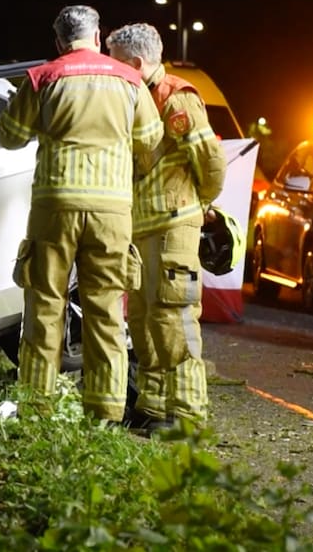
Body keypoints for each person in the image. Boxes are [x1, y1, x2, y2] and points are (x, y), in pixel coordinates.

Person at [0, 5, 163, 423]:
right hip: (111, 211)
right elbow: (150, 138)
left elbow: (9, 136)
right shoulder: (129, 80)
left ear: (57, 41)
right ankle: (105, 412)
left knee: (44, 306)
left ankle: (36, 409)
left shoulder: (43, 78)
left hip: (55, 208)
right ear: (97, 34)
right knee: (106, 310)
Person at [105, 23, 227, 431]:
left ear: (138, 63)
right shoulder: (136, 97)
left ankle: (189, 414)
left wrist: (200, 203)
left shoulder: (177, 98)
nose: (111, 68)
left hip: (174, 225)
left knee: (174, 317)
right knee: (142, 318)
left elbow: (210, 161)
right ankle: (153, 407)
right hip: (142, 227)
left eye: (117, 61)